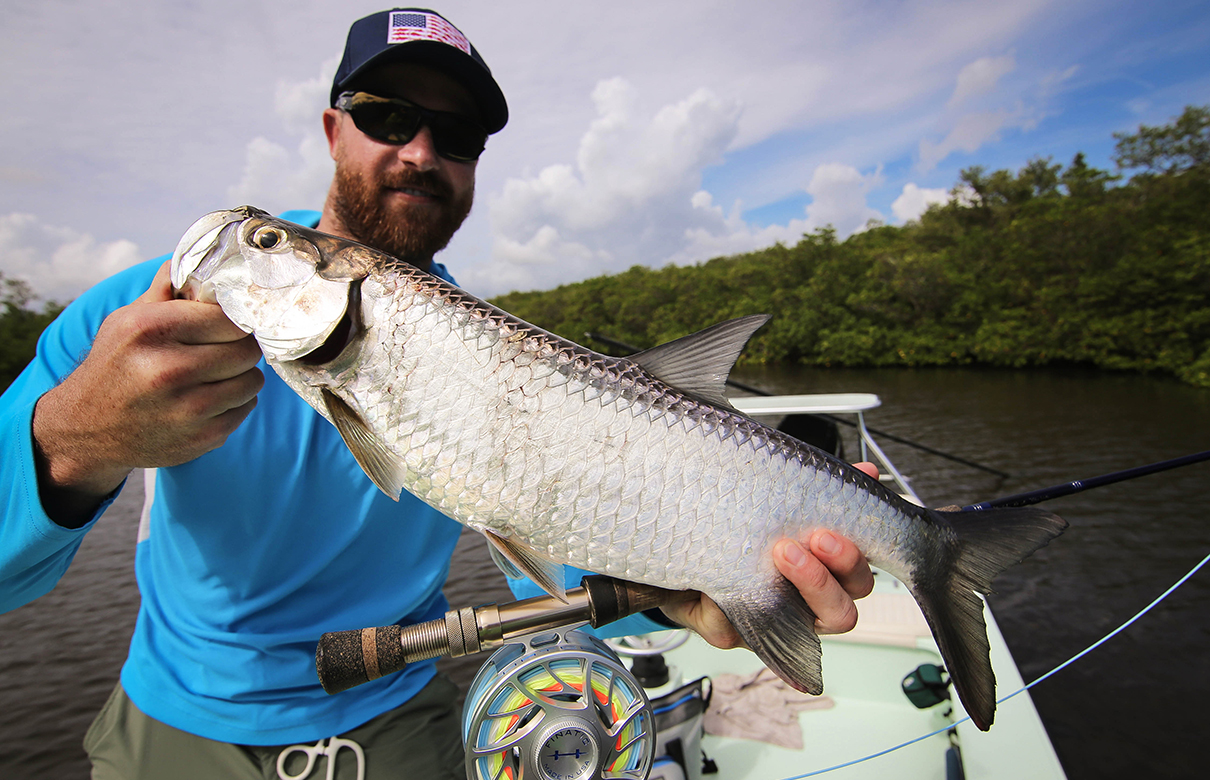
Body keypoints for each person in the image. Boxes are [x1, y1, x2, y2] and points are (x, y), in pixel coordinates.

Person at [0, 8, 874, 779]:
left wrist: (685, 579)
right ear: (332, 131)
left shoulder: (506, 354)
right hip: (172, 726)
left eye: (456, 137)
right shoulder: (143, 313)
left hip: (398, 712)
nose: (421, 153)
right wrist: (72, 438)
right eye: (388, 118)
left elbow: (560, 564)